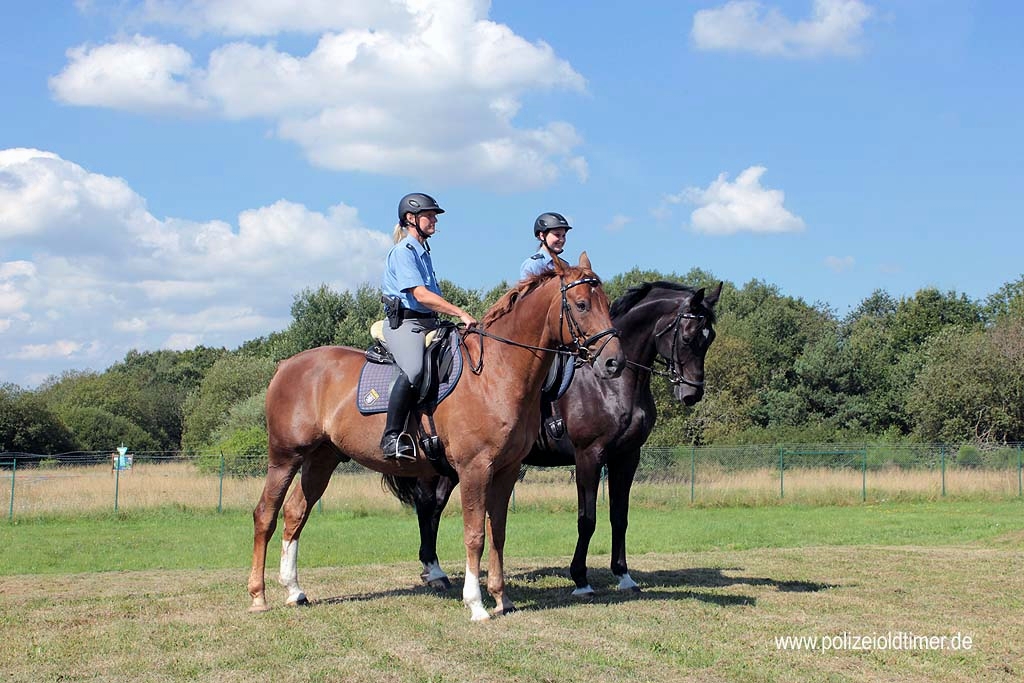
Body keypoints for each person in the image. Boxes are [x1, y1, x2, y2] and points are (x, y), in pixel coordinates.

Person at [379, 192, 477, 460]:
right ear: (411, 219)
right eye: (429, 215)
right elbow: (420, 295)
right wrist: (460, 312)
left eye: (435, 215)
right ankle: (391, 437)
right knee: (414, 370)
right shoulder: (404, 252)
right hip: (406, 325)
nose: (435, 220)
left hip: (428, 323)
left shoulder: (424, 253)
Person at [520, 212, 572, 279]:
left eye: (563, 236)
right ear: (542, 236)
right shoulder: (533, 264)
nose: (561, 240)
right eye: (557, 235)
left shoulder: (565, 266)